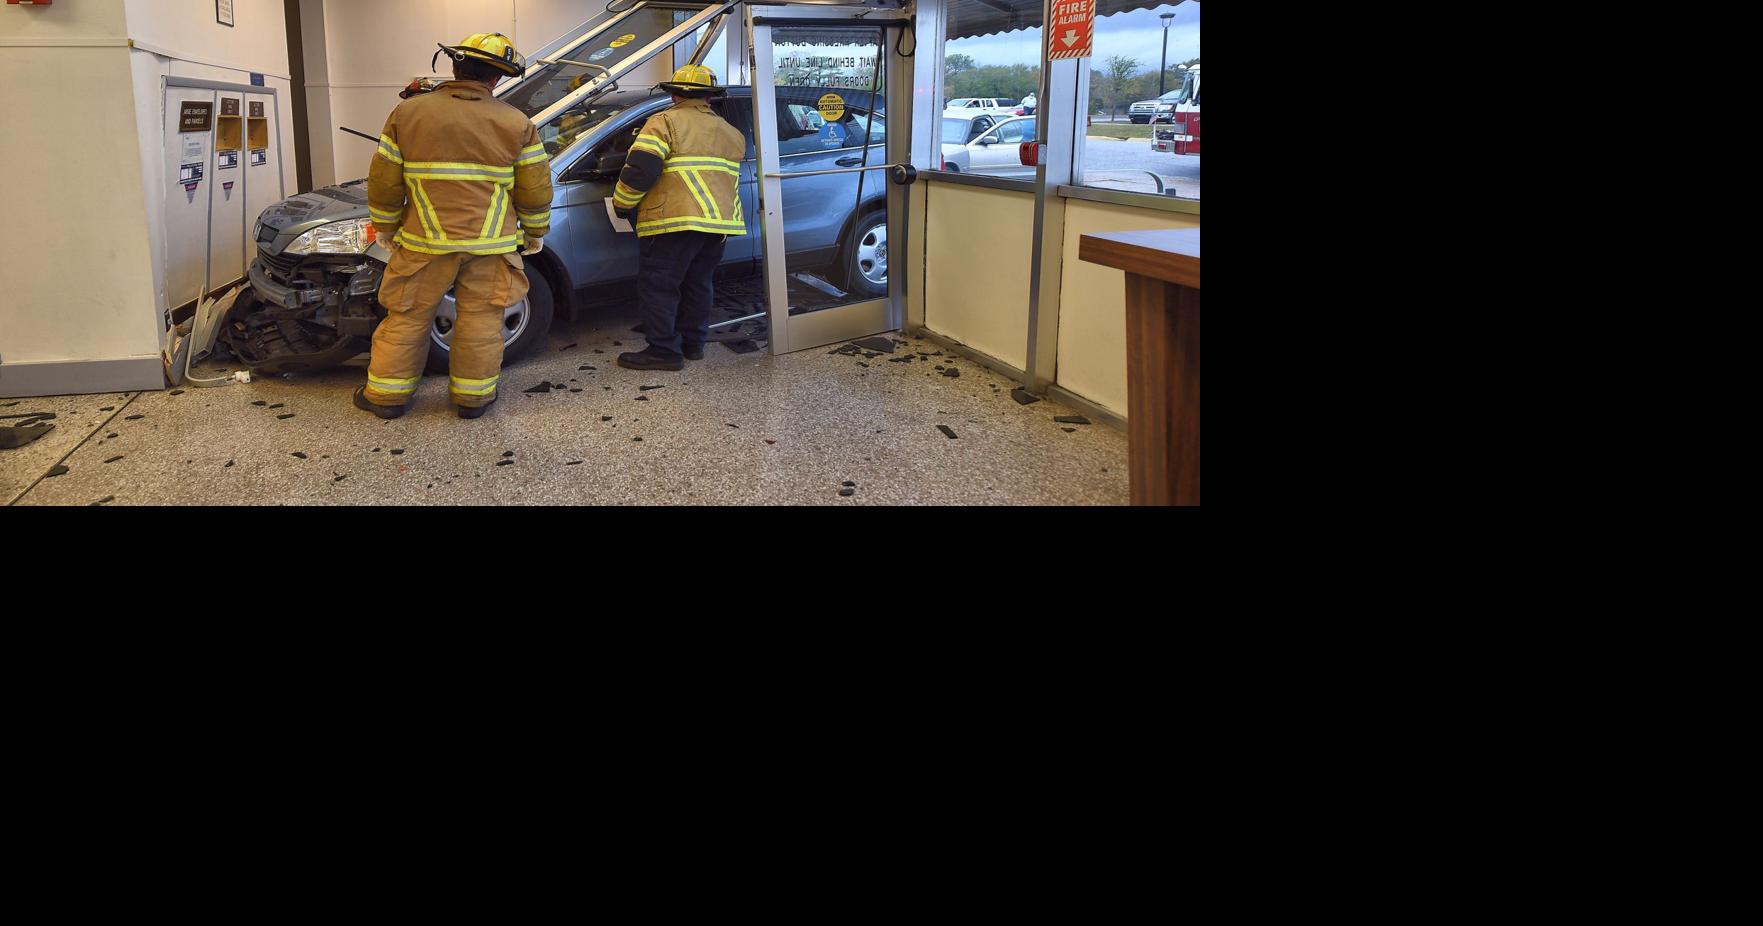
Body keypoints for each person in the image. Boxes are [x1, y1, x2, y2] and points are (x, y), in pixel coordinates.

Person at [354, 33, 553, 420]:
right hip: (491, 247)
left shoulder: (407, 115)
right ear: (496, 79)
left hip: (423, 243)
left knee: (408, 317)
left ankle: (386, 398)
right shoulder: (516, 123)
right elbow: (535, 188)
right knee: (482, 319)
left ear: (455, 67)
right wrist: (535, 231)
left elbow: (383, 181)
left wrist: (386, 226)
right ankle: (472, 400)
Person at [610, 65, 746, 371]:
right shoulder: (731, 133)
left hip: (673, 221)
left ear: (674, 94)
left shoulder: (664, 122)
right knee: (699, 283)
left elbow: (640, 170)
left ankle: (663, 351)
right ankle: (693, 345)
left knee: (659, 286)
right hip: (719, 224)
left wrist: (622, 203)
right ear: (709, 97)